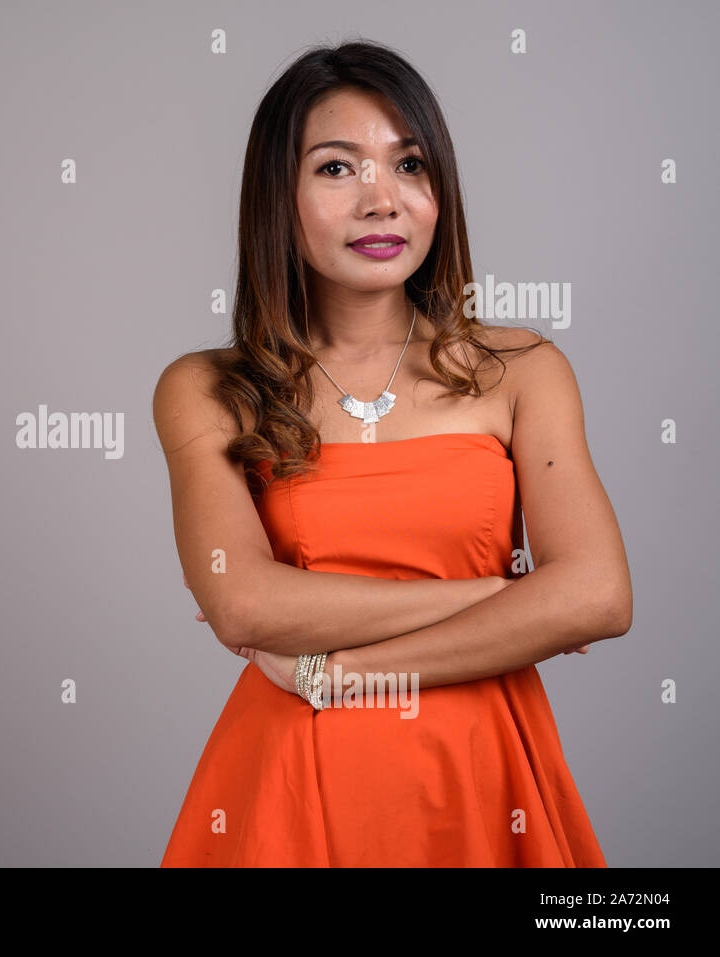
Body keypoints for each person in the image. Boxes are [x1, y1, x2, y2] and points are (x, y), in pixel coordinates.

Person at [153, 39, 631, 866]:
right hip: (291, 780)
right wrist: (506, 595)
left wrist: (333, 672)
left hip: (480, 772)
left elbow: (597, 596)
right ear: (279, 196)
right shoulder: (206, 387)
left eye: (409, 165)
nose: (383, 201)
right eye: (338, 169)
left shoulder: (523, 371)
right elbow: (244, 607)